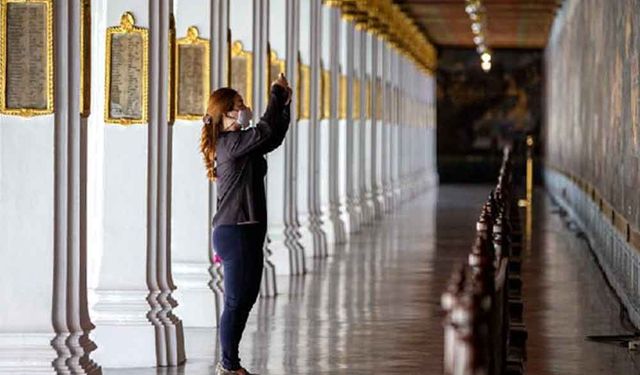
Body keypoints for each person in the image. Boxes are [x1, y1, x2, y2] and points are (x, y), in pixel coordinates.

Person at [200, 73, 292, 375]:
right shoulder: (230, 144)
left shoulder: (243, 143)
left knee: (247, 297)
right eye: (239, 105)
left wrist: (284, 103)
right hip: (234, 230)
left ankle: (230, 361)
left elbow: (273, 136)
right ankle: (228, 365)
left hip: (248, 230)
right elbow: (264, 130)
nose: (245, 108)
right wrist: (275, 95)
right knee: (236, 300)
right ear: (224, 113)